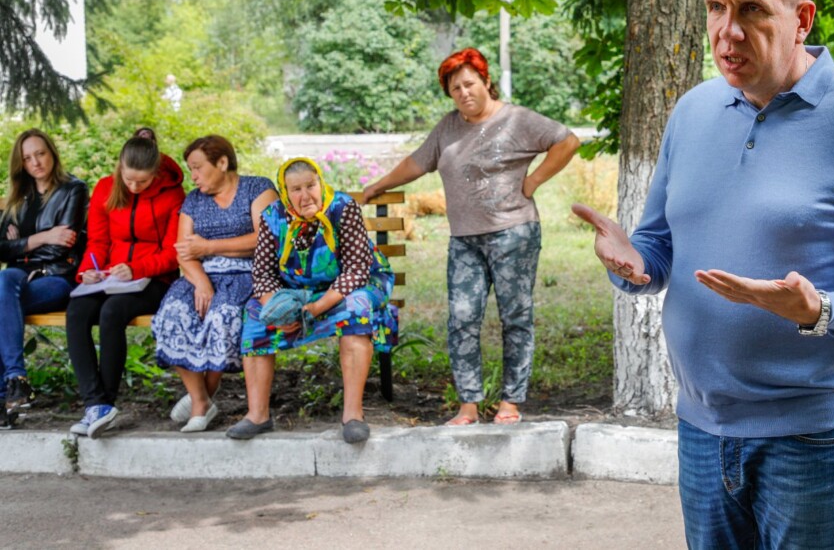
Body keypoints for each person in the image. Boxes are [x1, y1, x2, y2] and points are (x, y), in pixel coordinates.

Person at [572, 0, 834, 549]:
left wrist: (821, 311)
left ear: (802, 19)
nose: (727, 31)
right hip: (702, 436)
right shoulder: (692, 112)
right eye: (715, 8)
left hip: (815, 444)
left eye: (751, 9)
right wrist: (632, 260)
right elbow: (660, 248)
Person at [363, 48, 580, 427]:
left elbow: (567, 141)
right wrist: (376, 186)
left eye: (469, 84)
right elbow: (417, 161)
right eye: (455, 88)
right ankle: (468, 405)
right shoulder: (448, 127)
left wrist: (533, 181)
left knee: (516, 318)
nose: (463, 93)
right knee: (462, 320)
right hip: (465, 240)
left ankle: (510, 402)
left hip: (514, 234)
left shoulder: (516, 119)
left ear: (486, 81)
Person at [226, 157, 396, 444]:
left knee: (356, 309)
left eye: (311, 185)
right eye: (296, 189)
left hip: (355, 283)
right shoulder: (272, 216)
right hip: (299, 290)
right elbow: (263, 274)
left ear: (320, 182)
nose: (306, 195)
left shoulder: (342, 208)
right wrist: (279, 311)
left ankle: (353, 415)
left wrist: (315, 308)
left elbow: (356, 270)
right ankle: (258, 415)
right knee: (255, 312)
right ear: (285, 192)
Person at [151, 135, 276, 432]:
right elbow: (184, 251)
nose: (193, 176)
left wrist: (208, 247)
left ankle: (204, 396)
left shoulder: (258, 188)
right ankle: (200, 400)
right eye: (190, 169)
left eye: (197, 168)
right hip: (201, 275)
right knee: (172, 314)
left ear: (221, 162)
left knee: (221, 316)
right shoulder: (194, 200)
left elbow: (265, 238)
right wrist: (201, 282)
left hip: (248, 274)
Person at [67, 136, 186, 438]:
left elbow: (172, 253)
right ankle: (95, 404)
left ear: (155, 173)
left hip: (154, 280)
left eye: (142, 182)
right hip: (110, 277)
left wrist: (136, 268)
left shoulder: (172, 194)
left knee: (112, 312)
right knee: (77, 312)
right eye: (128, 179)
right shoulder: (106, 188)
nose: (133, 187)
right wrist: (88, 270)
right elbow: (98, 241)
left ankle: (106, 402)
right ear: (120, 168)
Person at [0, 129, 88, 428]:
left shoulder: (73, 189)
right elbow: (1, 248)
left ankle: (6, 394)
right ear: (21, 163)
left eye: (40, 154)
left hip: (57, 277)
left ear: (52, 153)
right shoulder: (19, 196)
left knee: (2, 299)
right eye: (27, 158)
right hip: (17, 278)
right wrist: (44, 236)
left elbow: (60, 247)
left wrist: (22, 242)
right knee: (5, 281)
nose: (35, 162)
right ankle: (16, 380)